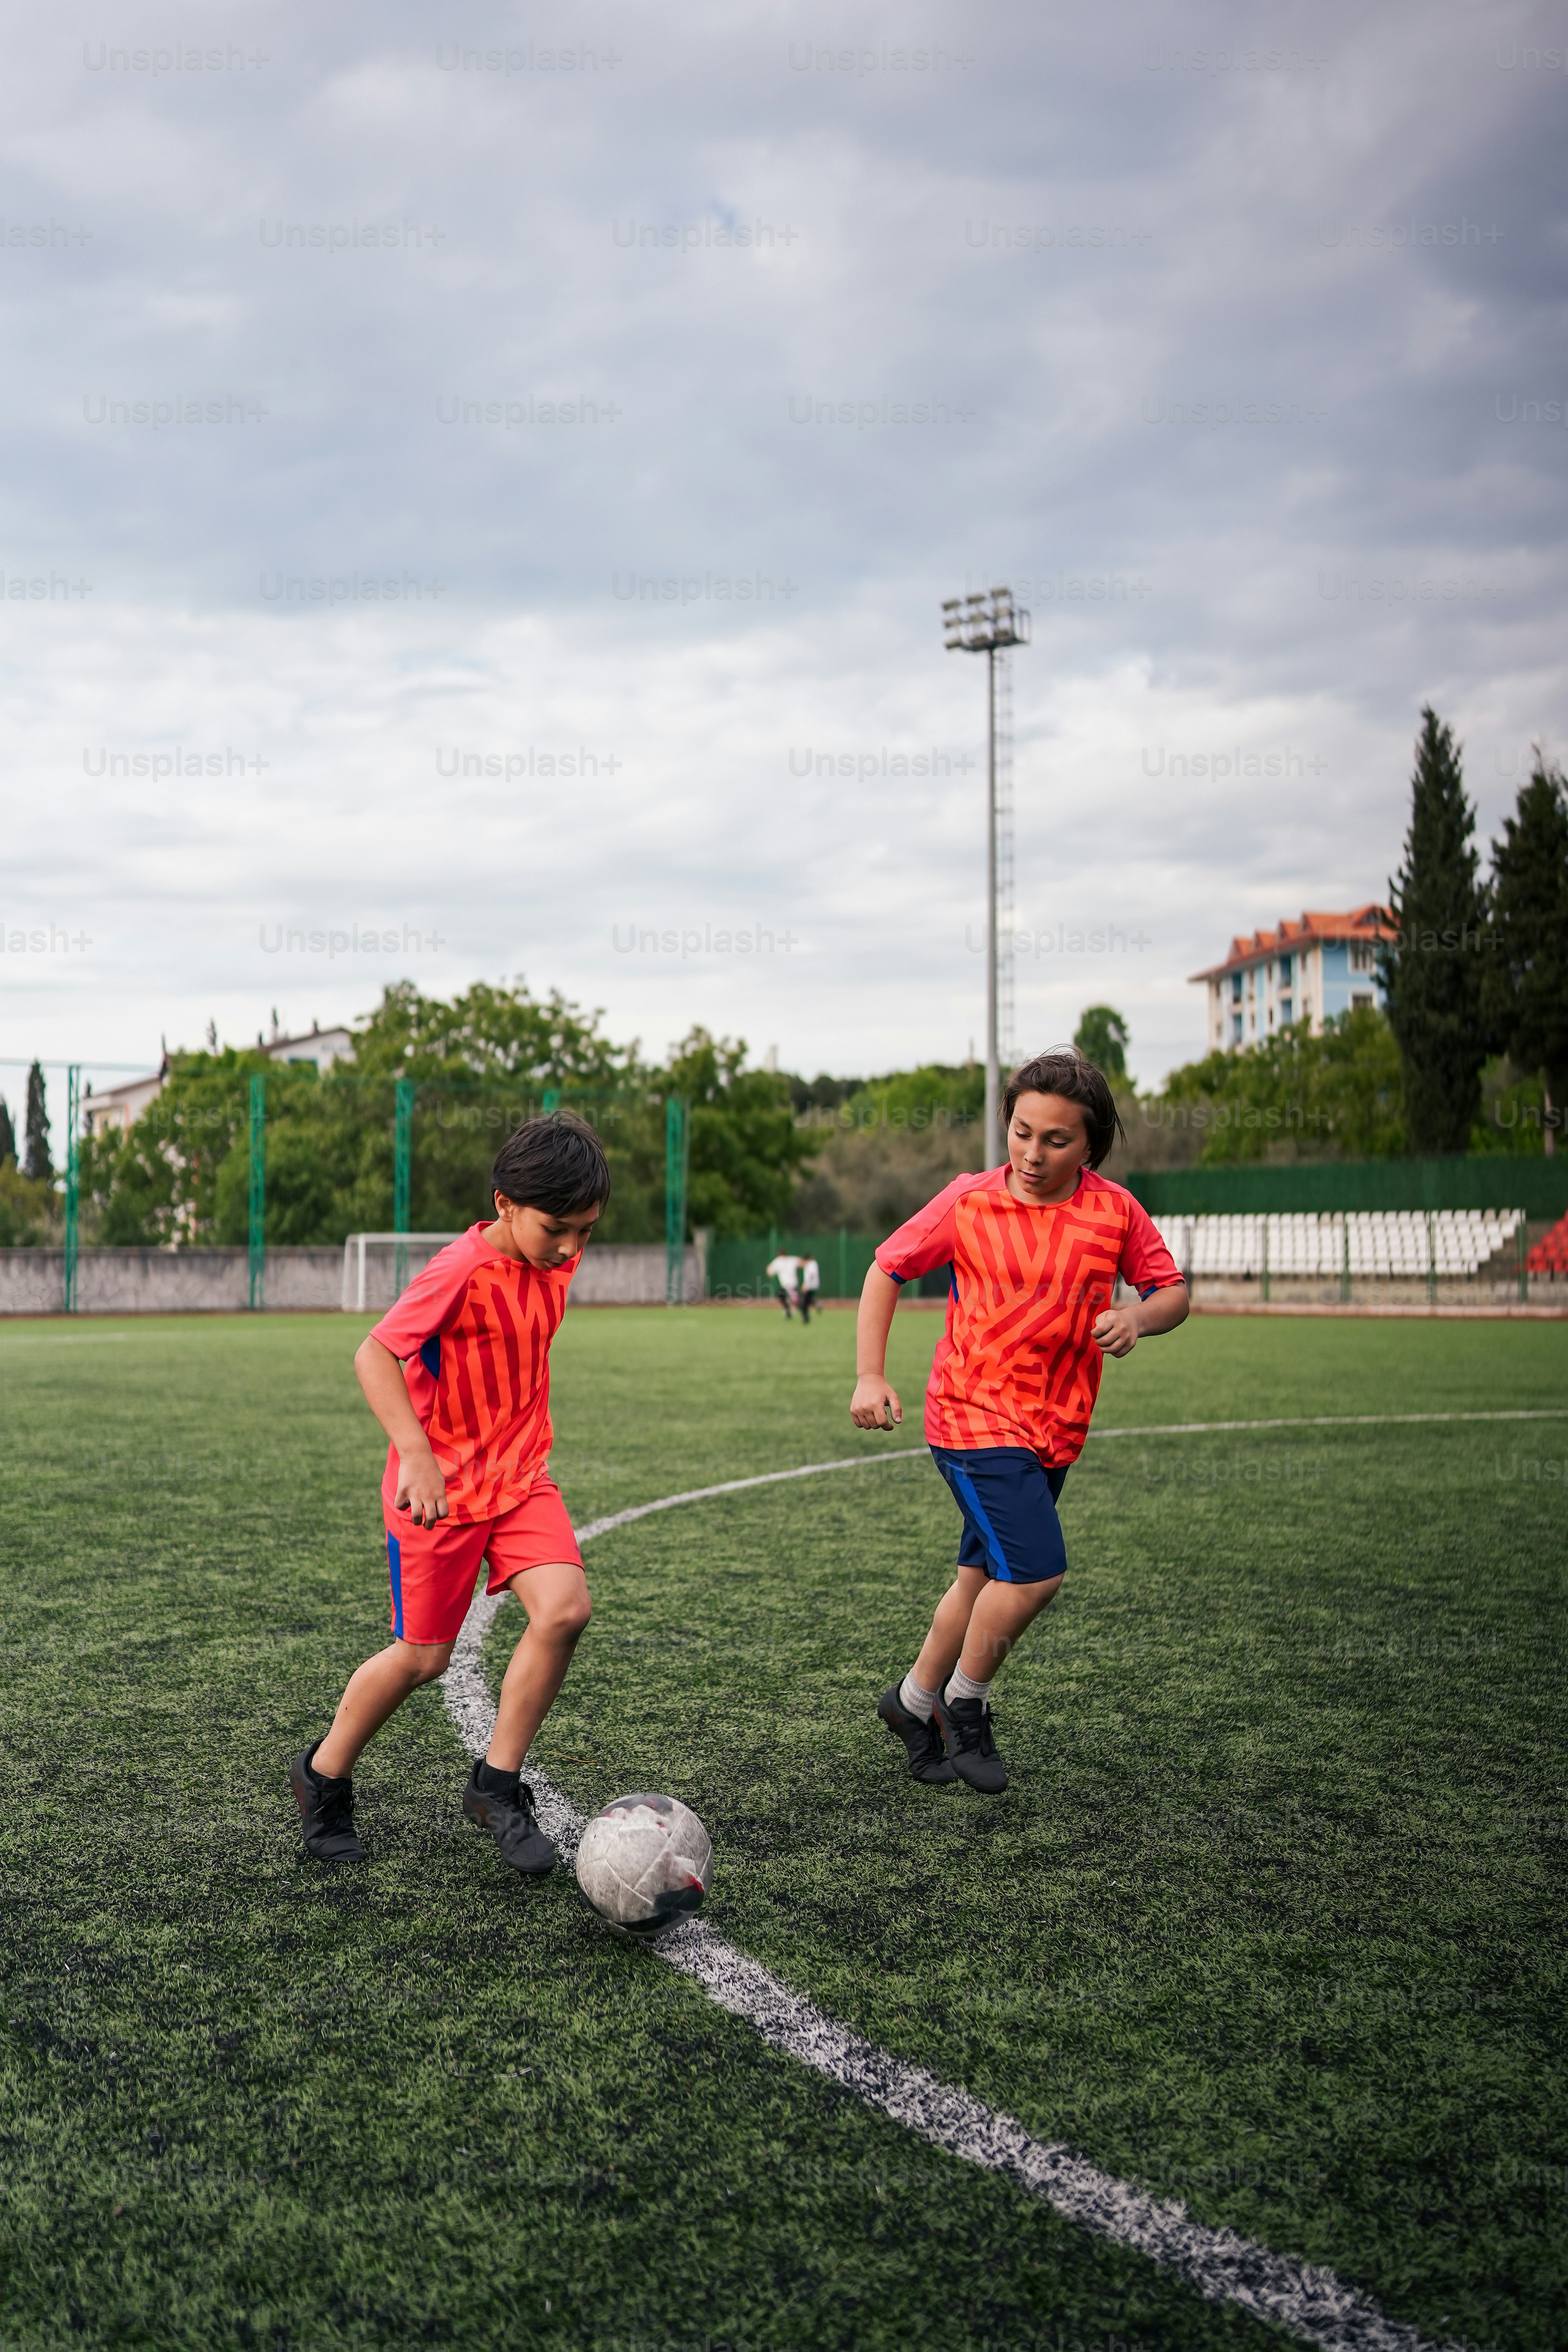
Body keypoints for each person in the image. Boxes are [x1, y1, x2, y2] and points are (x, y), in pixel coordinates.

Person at [851, 1048, 1188, 1794]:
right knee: (1036, 1572)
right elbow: (886, 1268)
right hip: (971, 1420)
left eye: (1056, 1140)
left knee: (981, 1579)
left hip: (1055, 1429)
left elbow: (1172, 1291)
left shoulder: (1116, 1210)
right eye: (1021, 1132)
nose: (1033, 1153)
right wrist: (870, 1373)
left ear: (1089, 1145)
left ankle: (910, 1703)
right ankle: (965, 1705)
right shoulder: (969, 1201)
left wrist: (1139, 1315)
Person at [290, 1115, 608, 1872]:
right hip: (438, 1492)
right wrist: (415, 1454)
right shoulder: (458, 1269)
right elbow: (374, 1354)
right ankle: (323, 1775)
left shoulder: (556, 1254)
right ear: (504, 1203)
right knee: (422, 1658)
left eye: (586, 1231)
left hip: (521, 1475)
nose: (570, 1248)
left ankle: (496, 1787)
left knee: (565, 1609)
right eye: (556, 1228)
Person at [764, 1249, 801, 1319]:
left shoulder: (778, 1261)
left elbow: (770, 1273)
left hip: (788, 1285)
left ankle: (797, 1310)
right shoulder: (791, 1259)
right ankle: (789, 1311)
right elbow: (802, 1262)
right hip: (793, 1284)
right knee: (783, 1296)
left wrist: (768, 1267)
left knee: (795, 1300)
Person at [798, 1253, 821, 1324]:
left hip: (810, 1287)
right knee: (806, 1302)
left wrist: (806, 1284)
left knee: (802, 1303)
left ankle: (806, 1318)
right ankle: (815, 1303)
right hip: (811, 1286)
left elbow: (811, 1275)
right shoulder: (812, 1264)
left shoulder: (811, 1264)